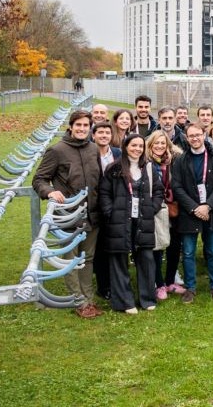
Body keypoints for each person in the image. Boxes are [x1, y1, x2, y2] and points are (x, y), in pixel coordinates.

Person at [32, 110, 103, 319]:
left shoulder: (92, 149)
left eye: (85, 125)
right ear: (71, 126)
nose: (82, 129)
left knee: (87, 259)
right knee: (71, 259)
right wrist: (49, 192)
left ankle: (89, 298)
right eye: (78, 125)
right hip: (69, 215)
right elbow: (39, 179)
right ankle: (78, 301)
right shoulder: (57, 151)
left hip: (92, 214)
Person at [99, 134, 163, 313]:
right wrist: (110, 212)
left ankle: (147, 298)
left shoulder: (148, 168)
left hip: (143, 219)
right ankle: (125, 302)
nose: (137, 149)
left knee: (146, 259)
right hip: (119, 220)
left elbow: (159, 191)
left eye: (140, 146)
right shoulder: (114, 169)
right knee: (119, 259)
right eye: (133, 145)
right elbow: (104, 194)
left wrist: (152, 208)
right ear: (126, 147)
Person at [171, 124, 213, 303]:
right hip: (190, 212)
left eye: (198, 135)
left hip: (211, 211)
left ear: (204, 135)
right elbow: (177, 187)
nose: (195, 138)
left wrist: (207, 206)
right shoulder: (180, 160)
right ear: (186, 138)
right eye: (191, 136)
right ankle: (191, 287)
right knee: (187, 252)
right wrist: (195, 208)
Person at [146, 129, 182, 300]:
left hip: (175, 207)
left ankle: (170, 281)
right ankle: (158, 284)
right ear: (150, 146)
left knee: (175, 246)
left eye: (163, 143)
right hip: (157, 209)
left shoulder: (174, 161)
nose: (160, 146)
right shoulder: (146, 163)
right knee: (158, 247)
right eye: (156, 143)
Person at [91, 122, 119, 304]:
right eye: (100, 132)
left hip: (115, 206)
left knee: (113, 247)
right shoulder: (88, 154)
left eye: (107, 132)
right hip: (94, 207)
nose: (104, 135)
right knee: (99, 249)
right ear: (93, 135)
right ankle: (103, 286)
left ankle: (114, 283)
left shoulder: (117, 154)